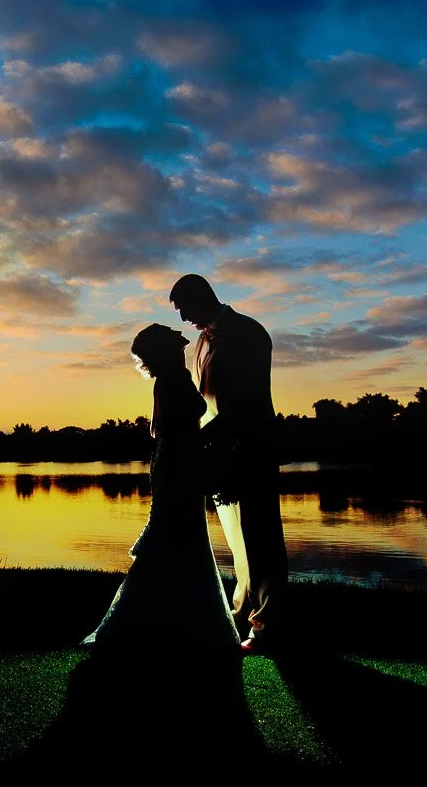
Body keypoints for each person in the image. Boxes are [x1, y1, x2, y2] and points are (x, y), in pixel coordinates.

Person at [81, 323, 240, 658]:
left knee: (174, 538)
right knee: (179, 536)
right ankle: (171, 621)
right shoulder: (175, 380)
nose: (183, 348)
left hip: (172, 464)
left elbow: (158, 431)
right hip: (179, 467)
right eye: (176, 347)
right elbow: (171, 430)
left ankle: (163, 620)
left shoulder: (166, 382)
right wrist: (215, 434)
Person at [169, 274, 287, 655]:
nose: (184, 317)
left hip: (252, 450)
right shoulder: (203, 341)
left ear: (200, 297)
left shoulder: (249, 332)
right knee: (238, 543)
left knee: (262, 541)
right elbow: (206, 400)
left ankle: (269, 628)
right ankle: (240, 615)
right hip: (218, 455)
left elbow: (248, 401)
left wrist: (203, 437)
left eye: (184, 307)